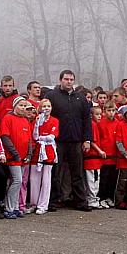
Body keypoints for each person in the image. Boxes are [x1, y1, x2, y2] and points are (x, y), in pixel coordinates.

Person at [46, 70, 93, 212]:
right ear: (60, 80)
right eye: (66, 79)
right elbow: (46, 117)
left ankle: (80, 201)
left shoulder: (81, 98)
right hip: (58, 141)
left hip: (76, 140)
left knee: (77, 173)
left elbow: (86, 120)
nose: (69, 82)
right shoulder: (52, 96)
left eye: (71, 79)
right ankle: (53, 201)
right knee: (55, 172)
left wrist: (87, 139)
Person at [0, 96, 33, 218]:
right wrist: (15, 153)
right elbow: (5, 137)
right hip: (13, 158)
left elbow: (29, 140)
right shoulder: (8, 118)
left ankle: (15, 207)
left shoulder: (25, 120)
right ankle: (8, 208)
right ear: (14, 106)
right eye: (21, 105)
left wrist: (29, 154)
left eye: (25, 106)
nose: (23, 108)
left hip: (23, 157)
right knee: (16, 180)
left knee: (19, 182)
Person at [31, 99, 58, 215]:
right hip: (37, 152)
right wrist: (38, 124)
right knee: (34, 179)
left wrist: (42, 138)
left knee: (46, 180)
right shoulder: (36, 120)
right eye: (44, 106)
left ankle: (43, 205)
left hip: (48, 152)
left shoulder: (55, 120)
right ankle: (33, 204)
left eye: (48, 106)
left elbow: (52, 136)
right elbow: (35, 136)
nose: (46, 108)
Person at [83, 105, 107, 209]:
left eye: (100, 114)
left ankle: (93, 199)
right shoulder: (92, 125)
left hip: (94, 159)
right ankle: (92, 200)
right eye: (97, 114)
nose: (99, 116)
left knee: (94, 179)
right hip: (92, 158)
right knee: (93, 180)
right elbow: (92, 141)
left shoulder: (95, 125)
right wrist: (100, 151)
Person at [96, 100, 119, 208]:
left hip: (115, 155)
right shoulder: (100, 123)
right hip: (105, 155)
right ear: (104, 111)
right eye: (109, 110)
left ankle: (109, 197)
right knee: (103, 178)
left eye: (113, 110)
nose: (111, 113)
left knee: (112, 178)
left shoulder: (118, 123)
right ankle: (102, 198)